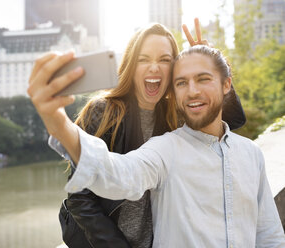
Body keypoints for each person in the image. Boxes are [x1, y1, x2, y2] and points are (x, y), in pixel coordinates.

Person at [28, 44, 285, 247]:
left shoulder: (251, 154)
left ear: (227, 84)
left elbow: (269, 235)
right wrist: (59, 123)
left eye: (203, 78)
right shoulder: (165, 149)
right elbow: (116, 173)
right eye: (181, 82)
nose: (192, 91)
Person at [52, 21, 246, 248]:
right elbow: (79, 197)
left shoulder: (175, 113)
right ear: (131, 66)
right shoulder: (104, 112)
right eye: (144, 59)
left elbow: (233, 120)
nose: (154, 67)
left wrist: (208, 66)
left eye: (164, 60)